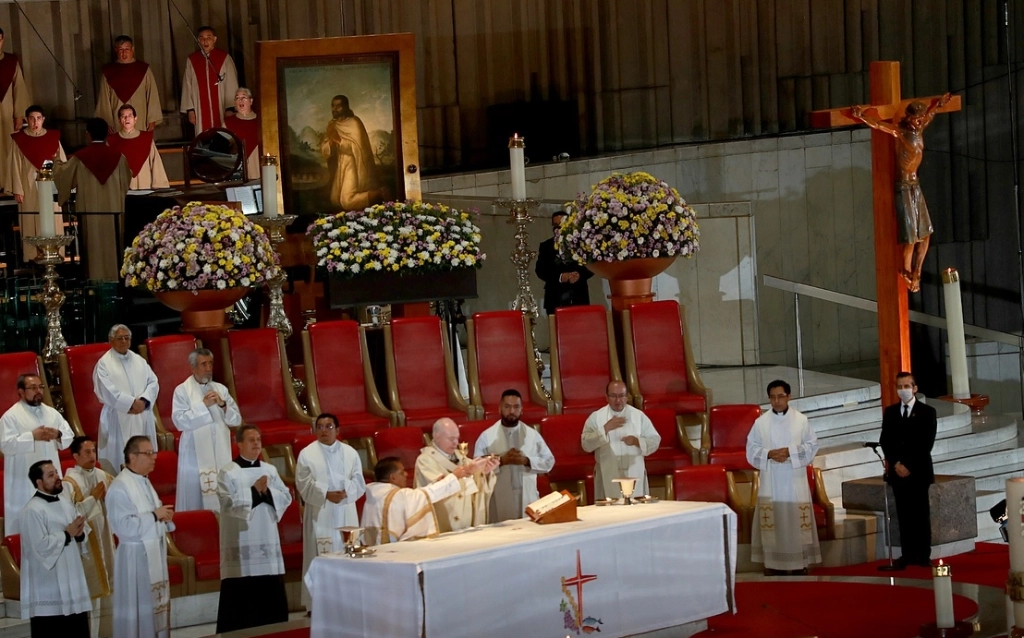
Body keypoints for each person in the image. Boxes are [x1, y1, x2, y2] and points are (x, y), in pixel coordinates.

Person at [849, 93, 952, 292]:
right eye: (916, 118)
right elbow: (879, 125)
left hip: (915, 185)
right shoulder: (901, 131)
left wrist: (939, 104)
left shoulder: (919, 127)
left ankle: (917, 272)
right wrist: (861, 116)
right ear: (909, 117)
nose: (920, 121)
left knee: (926, 233)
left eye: (921, 118)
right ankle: (905, 271)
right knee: (911, 236)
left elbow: (931, 115)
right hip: (904, 186)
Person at [216, 425, 291, 633]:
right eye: (251, 440)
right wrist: (255, 492)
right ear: (239, 443)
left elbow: (285, 497)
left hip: (266, 534)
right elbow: (226, 504)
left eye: (258, 439)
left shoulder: (270, 470)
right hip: (241, 538)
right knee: (241, 590)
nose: (257, 443)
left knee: (270, 588)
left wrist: (267, 493)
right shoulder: (228, 472)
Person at [746, 379, 821, 575]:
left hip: (794, 477)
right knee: (773, 520)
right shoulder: (760, 422)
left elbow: (812, 445)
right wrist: (769, 454)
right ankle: (773, 564)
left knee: (796, 519)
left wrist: (789, 452)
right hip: (771, 477)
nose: (776, 401)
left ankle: (799, 563)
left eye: (780, 396)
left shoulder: (801, 420)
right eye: (772, 397)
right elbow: (751, 449)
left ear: (789, 396)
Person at [295, 412, 366, 610]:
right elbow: (303, 482)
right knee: (320, 553)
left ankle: (350, 600)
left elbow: (359, 481)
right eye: (320, 427)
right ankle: (318, 603)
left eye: (329, 426)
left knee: (347, 551)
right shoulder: (307, 454)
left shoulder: (350, 453)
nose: (324, 430)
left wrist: (345, 493)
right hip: (320, 512)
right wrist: (325, 494)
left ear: (337, 430)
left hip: (345, 509)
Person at [106, 436, 173, 638]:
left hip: (152, 552)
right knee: (138, 609)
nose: (154, 457)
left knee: (154, 608)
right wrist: (155, 515)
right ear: (132, 457)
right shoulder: (120, 487)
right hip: (134, 558)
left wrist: (164, 517)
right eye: (148, 453)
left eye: (154, 452)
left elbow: (155, 513)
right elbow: (124, 527)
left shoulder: (144, 481)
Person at [19, 460, 92, 637]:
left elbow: (81, 531)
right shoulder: (32, 510)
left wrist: (81, 533)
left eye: (56, 473)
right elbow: (39, 546)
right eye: (51, 475)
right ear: (39, 482)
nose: (58, 478)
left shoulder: (65, 502)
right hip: (48, 586)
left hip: (72, 580)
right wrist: (67, 534)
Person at [54, 118, 132, 281]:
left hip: (90, 216)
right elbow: (125, 184)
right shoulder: (119, 157)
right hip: (113, 214)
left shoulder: (80, 158)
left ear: (88, 135)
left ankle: (93, 283)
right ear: (106, 135)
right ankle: (116, 281)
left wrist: (56, 161)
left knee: (93, 250)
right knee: (114, 248)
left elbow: (63, 176)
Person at [0, 373, 75, 534]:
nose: (38, 391)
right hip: (23, 481)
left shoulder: (52, 413)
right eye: (33, 388)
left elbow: (69, 435)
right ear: (21, 391)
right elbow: (5, 445)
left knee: (55, 526)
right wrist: (32, 437)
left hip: (50, 476)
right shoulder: (10, 417)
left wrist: (58, 435)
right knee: (30, 529)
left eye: (40, 387)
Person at [879, 371, 937, 569]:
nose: (902, 390)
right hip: (897, 472)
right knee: (903, 515)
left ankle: (922, 555)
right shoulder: (891, 412)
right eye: (899, 386)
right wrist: (896, 464)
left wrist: (908, 465)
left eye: (906, 386)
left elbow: (925, 444)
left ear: (915, 388)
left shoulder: (927, 412)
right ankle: (907, 554)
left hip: (918, 471)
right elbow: (885, 441)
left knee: (920, 514)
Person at [171, 347, 240, 512]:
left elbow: (236, 419)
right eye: (203, 364)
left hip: (220, 450)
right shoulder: (182, 391)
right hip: (194, 453)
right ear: (193, 367)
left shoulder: (220, 389)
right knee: (196, 494)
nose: (208, 368)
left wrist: (223, 405)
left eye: (210, 364)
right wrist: (204, 406)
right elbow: (179, 421)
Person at [474, 389, 555, 521]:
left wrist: (526, 461)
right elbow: (476, 470)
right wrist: (502, 461)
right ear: (499, 408)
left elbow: (549, 461)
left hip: (527, 495)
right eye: (507, 406)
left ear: (522, 409)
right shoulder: (486, 437)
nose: (512, 411)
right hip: (500, 497)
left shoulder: (532, 435)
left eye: (516, 407)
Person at [63, 436, 115, 635]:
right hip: (86, 544)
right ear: (75, 456)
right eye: (87, 452)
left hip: (105, 536)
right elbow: (71, 514)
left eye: (93, 451)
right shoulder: (69, 483)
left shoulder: (104, 475)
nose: (92, 455)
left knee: (110, 584)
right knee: (93, 590)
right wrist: (93, 497)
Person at [361, 456, 475, 546]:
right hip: (393, 550)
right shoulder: (398, 496)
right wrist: (454, 476)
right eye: (401, 472)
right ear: (392, 477)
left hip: (374, 548)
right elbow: (428, 494)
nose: (406, 474)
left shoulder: (373, 495)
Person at [93, 324, 159, 474]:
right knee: (119, 462)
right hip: (117, 416)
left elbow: (153, 382)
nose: (124, 341)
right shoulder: (104, 364)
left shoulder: (139, 360)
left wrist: (144, 400)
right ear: (111, 340)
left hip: (141, 415)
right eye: (119, 338)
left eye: (127, 338)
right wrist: (130, 404)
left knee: (142, 459)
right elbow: (106, 389)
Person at [414, 418, 498, 532]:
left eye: (457, 438)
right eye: (451, 439)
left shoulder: (461, 457)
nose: (456, 443)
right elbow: (436, 489)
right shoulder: (425, 460)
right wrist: (460, 474)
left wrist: (485, 472)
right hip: (444, 523)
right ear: (437, 436)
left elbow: (477, 484)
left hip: (467, 525)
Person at [581, 380, 661, 500]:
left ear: (627, 396)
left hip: (634, 470)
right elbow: (586, 444)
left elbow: (655, 440)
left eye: (621, 396)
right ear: (606, 397)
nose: (618, 400)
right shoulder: (596, 417)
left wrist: (636, 441)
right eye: (613, 396)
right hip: (607, 471)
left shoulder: (638, 416)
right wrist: (605, 429)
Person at [10, 105, 67, 258]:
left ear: (43, 120)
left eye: (38, 118)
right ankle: (33, 255)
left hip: (51, 185)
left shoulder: (53, 138)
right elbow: (14, 165)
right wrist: (18, 189)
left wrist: (63, 185)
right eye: (32, 119)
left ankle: (55, 254)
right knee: (32, 219)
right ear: (27, 120)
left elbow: (62, 163)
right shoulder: (19, 140)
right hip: (28, 186)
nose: (35, 122)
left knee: (52, 219)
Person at [320, 94, 387, 210]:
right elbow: (325, 148)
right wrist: (330, 142)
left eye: (338, 106)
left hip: (353, 163)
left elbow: (357, 147)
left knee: (347, 201)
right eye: (333, 106)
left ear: (345, 107)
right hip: (340, 163)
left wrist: (337, 140)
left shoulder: (354, 123)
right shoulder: (332, 125)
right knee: (335, 200)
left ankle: (378, 193)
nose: (335, 109)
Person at [95, 35, 162, 134]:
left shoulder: (143, 69)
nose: (124, 53)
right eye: (121, 49)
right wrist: (106, 121)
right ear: (116, 50)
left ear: (133, 49)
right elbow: (104, 99)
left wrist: (152, 118)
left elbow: (152, 95)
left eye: (127, 49)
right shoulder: (108, 71)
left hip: (140, 116)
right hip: (117, 119)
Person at [179, 26, 239, 135]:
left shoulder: (224, 58)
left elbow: (231, 84)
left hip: (221, 109)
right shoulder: (192, 60)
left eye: (209, 38)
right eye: (202, 38)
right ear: (198, 40)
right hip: (200, 111)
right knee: (203, 137)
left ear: (214, 39)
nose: (205, 41)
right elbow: (187, 85)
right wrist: (190, 110)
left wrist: (230, 108)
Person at [535, 211, 593, 314]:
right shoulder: (546, 246)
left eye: (561, 225)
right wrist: (561, 276)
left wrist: (579, 274)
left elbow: (592, 266)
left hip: (579, 297)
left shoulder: (581, 244)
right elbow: (541, 270)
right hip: (554, 298)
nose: (558, 229)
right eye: (555, 225)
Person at [106, 104, 168, 190]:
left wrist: (159, 188)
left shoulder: (146, 139)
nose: (127, 119)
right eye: (123, 116)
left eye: (130, 116)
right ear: (119, 120)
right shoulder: (111, 141)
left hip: (144, 184)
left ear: (135, 119)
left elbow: (155, 164)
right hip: (120, 186)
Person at [0, 27, 32, 194]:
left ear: (2, 40)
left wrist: (19, 116)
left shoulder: (11, 61)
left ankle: (6, 184)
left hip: (6, 113)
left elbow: (19, 88)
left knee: (7, 148)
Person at [223, 88, 260, 179]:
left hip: (257, 165)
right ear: (235, 103)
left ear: (251, 101)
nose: (240, 101)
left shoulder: (261, 121)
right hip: (236, 168)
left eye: (244, 97)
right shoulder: (228, 123)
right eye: (237, 98)